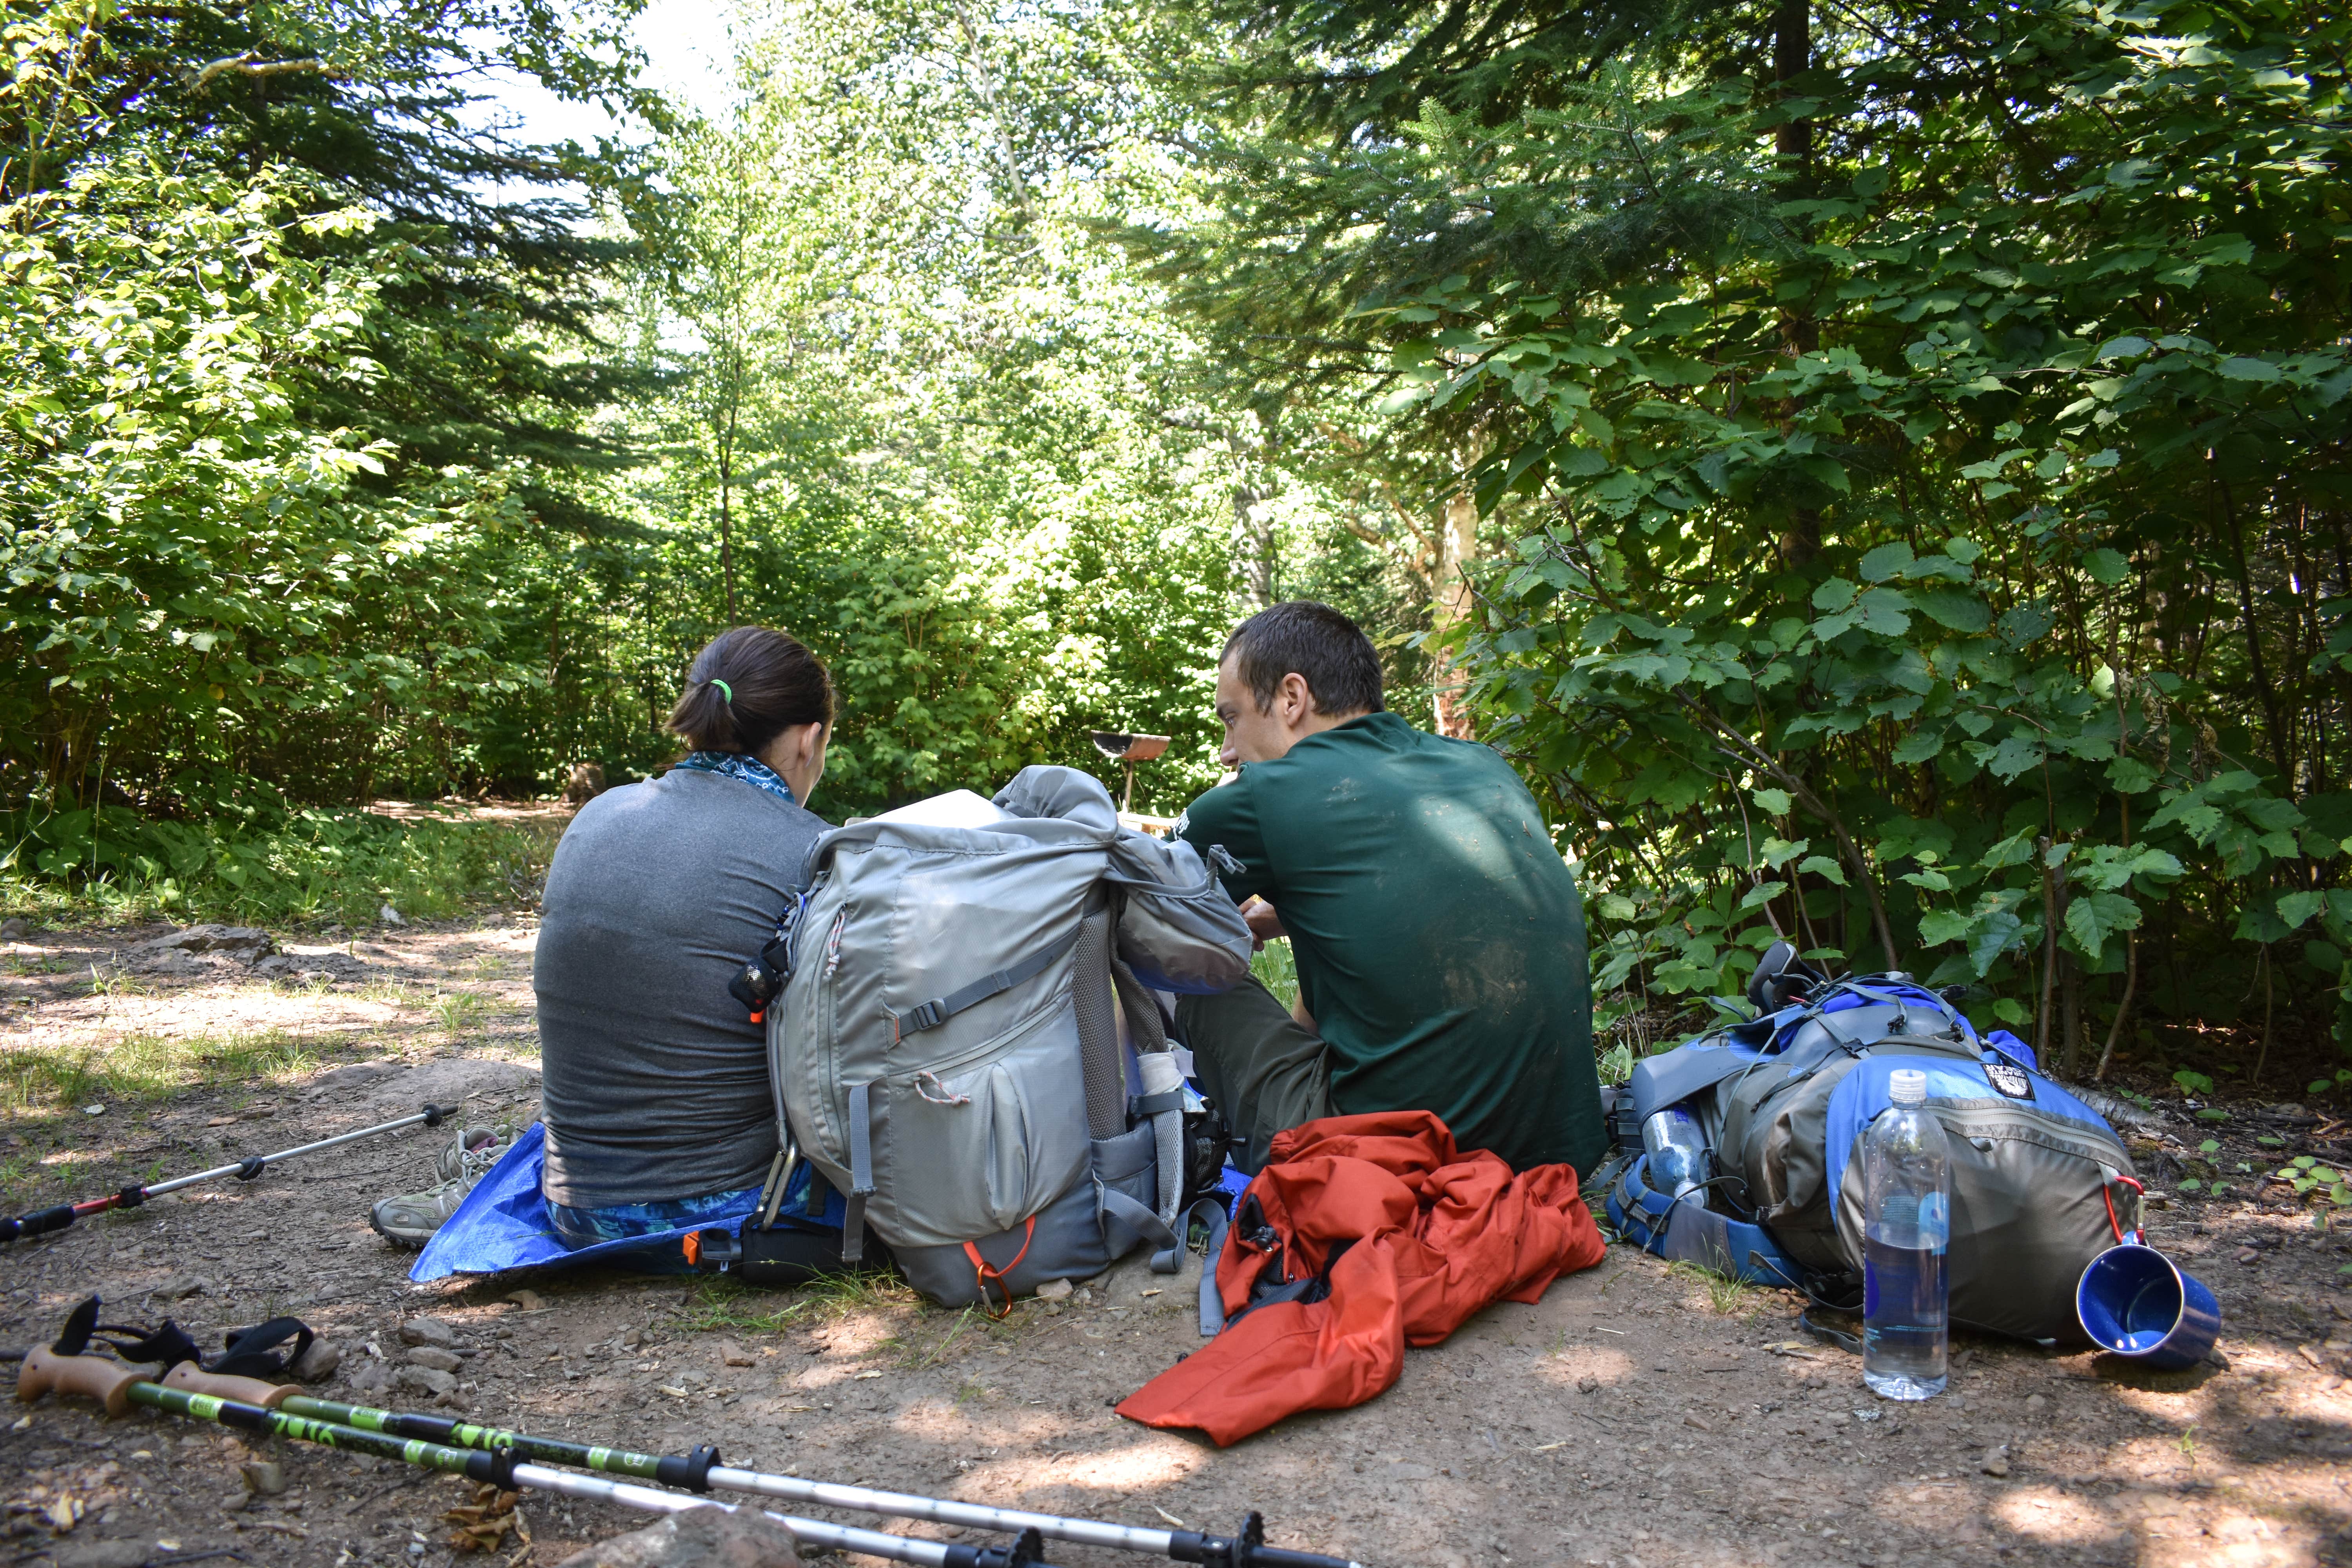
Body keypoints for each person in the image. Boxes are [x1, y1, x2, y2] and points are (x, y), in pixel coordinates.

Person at [368, 626, 834, 1249]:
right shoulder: (814, 852)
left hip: (574, 1206)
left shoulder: (600, 814)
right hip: (730, 1207)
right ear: (809, 739)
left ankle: (493, 1177)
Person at [1172, 601, 1606, 1176]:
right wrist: (1289, 913)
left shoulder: (1262, 798)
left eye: (1231, 719)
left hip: (1394, 1169)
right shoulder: (1484, 766)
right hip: (1557, 1159)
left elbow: (1141, 917)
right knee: (1330, 934)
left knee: (1184, 970)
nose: (1228, 751)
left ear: (1292, 698)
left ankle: (1121, 1134)